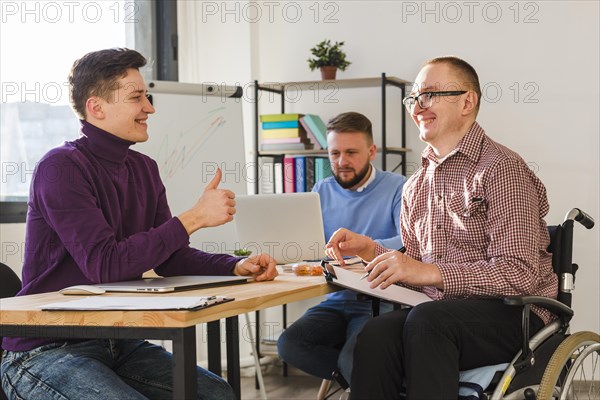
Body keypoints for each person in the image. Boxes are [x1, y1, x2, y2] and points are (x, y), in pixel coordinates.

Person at [1, 48, 278, 400]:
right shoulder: (61, 168)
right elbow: (105, 264)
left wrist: (236, 265)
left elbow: (171, 259)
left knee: (217, 394)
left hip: (118, 342)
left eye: (146, 96)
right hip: (46, 350)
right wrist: (194, 217)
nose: (149, 107)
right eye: (136, 97)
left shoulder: (144, 169)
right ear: (96, 107)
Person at [326, 56, 556, 399]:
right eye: (414, 97)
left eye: (431, 94)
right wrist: (370, 250)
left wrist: (429, 273)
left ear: (467, 101)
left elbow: (519, 273)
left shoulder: (501, 169)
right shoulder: (416, 185)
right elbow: (416, 267)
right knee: (373, 335)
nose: (419, 105)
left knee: (428, 321)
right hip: (442, 313)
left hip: (514, 313)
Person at [277, 112, 407, 385]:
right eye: (334, 153)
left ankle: (362, 377)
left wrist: (364, 247)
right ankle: (359, 381)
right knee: (290, 344)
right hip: (335, 298)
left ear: (372, 151)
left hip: (379, 300)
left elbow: (408, 243)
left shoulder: (399, 188)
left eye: (351, 152)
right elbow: (311, 247)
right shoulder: (320, 190)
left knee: (357, 359)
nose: (341, 162)